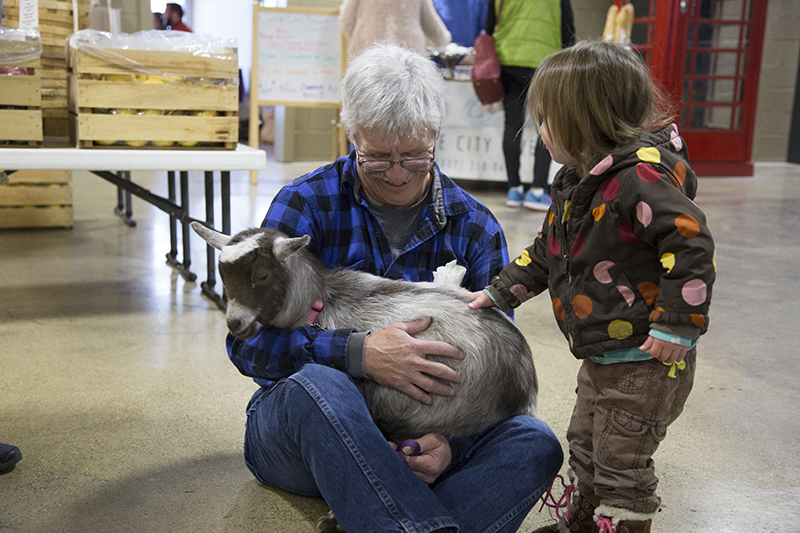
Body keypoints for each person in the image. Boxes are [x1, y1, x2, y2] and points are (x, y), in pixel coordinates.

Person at [227, 43, 562, 533]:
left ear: (436, 134)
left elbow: (498, 370)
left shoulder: (476, 227)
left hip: (428, 436)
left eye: (415, 156)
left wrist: (453, 445)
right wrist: (357, 353)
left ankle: (381, 517)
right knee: (320, 385)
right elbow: (249, 350)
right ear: (351, 134)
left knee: (535, 441)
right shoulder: (304, 204)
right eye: (378, 158)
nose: (400, 173)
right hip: (312, 433)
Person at [468, 40, 716, 533]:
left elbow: (690, 245)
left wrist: (676, 326)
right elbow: (544, 251)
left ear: (586, 119)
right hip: (604, 349)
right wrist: (498, 293)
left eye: (546, 119)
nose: (539, 131)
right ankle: (583, 522)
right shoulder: (576, 181)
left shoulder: (640, 178)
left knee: (622, 461)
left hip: (647, 357)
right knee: (586, 441)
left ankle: (623, 523)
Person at [486, 0, 575, 211]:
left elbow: (489, 25)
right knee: (546, 125)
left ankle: (514, 189)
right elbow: (568, 29)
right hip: (544, 62)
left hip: (508, 58)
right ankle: (537, 190)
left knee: (512, 125)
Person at [339, 0, 451, 60]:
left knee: (365, 98)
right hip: (407, 56)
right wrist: (444, 40)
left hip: (367, 53)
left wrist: (360, 38)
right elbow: (431, 25)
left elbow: (347, 20)